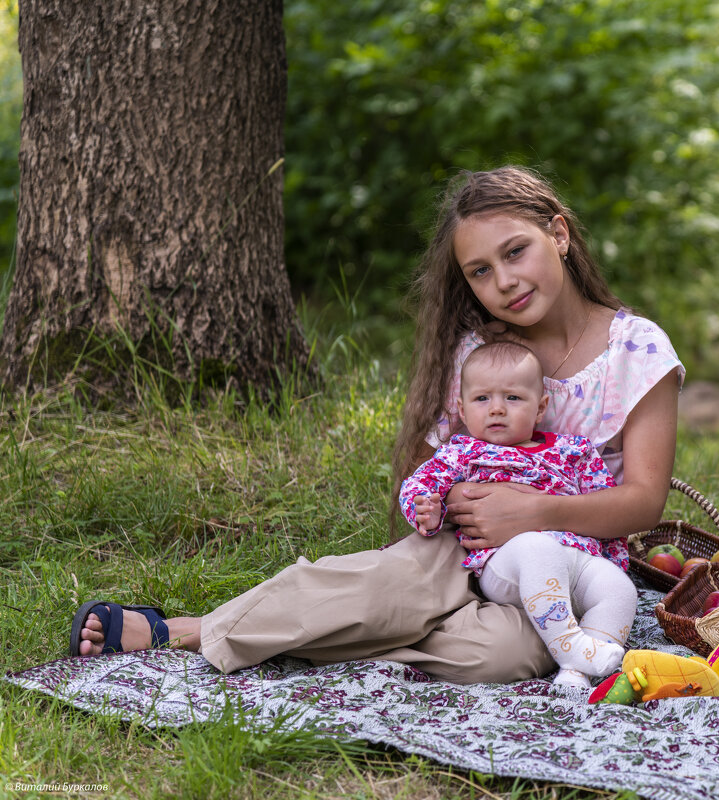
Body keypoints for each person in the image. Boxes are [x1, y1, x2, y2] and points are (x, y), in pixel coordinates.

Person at [69, 165, 684, 686]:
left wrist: (532, 513)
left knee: (511, 654)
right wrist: (455, 498)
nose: (504, 282)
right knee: (401, 586)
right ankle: (185, 630)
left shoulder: (636, 349)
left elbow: (642, 501)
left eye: (515, 251)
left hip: (564, 564)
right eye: (479, 271)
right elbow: (430, 470)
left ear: (560, 234)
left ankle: (310, 623)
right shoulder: (479, 353)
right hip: (462, 548)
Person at [400, 340, 636, 690]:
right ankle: (570, 648)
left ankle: (578, 673)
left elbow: (604, 503)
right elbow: (420, 483)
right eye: (482, 399)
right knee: (538, 549)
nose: (497, 409)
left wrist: (612, 558)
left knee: (620, 589)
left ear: (540, 408)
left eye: (512, 398)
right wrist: (427, 508)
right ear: (462, 411)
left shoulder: (573, 452)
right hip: (509, 560)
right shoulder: (463, 452)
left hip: (577, 557)